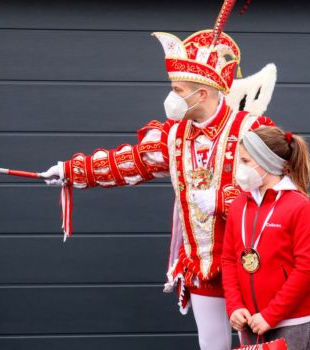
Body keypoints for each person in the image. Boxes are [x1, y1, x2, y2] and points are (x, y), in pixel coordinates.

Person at [36, 2, 279, 348]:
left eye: (178, 90)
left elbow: (281, 191)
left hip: (251, 263)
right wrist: (69, 172)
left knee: (260, 344)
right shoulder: (175, 135)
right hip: (201, 264)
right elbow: (131, 163)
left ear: (203, 93)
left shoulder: (253, 128)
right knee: (212, 345)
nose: (172, 97)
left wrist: (224, 199)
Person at [221, 126, 310, 350]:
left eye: (246, 161)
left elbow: (307, 269)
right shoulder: (239, 204)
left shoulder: (300, 207)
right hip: (250, 322)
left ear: (267, 162)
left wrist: (271, 315)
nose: (240, 168)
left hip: (292, 322)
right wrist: (235, 306)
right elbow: (229, 259)